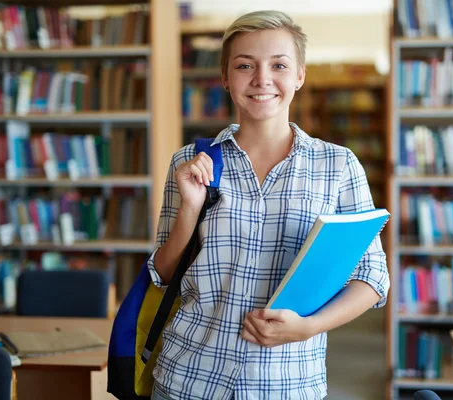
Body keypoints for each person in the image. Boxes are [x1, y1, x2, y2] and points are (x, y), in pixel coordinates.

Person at [148, 10, 389, 400]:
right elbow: (163, 274)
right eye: (245, 65)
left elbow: (373, 279)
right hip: (188, 379)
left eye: (279, 65)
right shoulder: (188, 163)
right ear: (225, 78)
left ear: (299, 76)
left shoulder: (338, 165)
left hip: (287, 383)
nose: (262, 79)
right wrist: (190, 210)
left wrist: (308, 327)